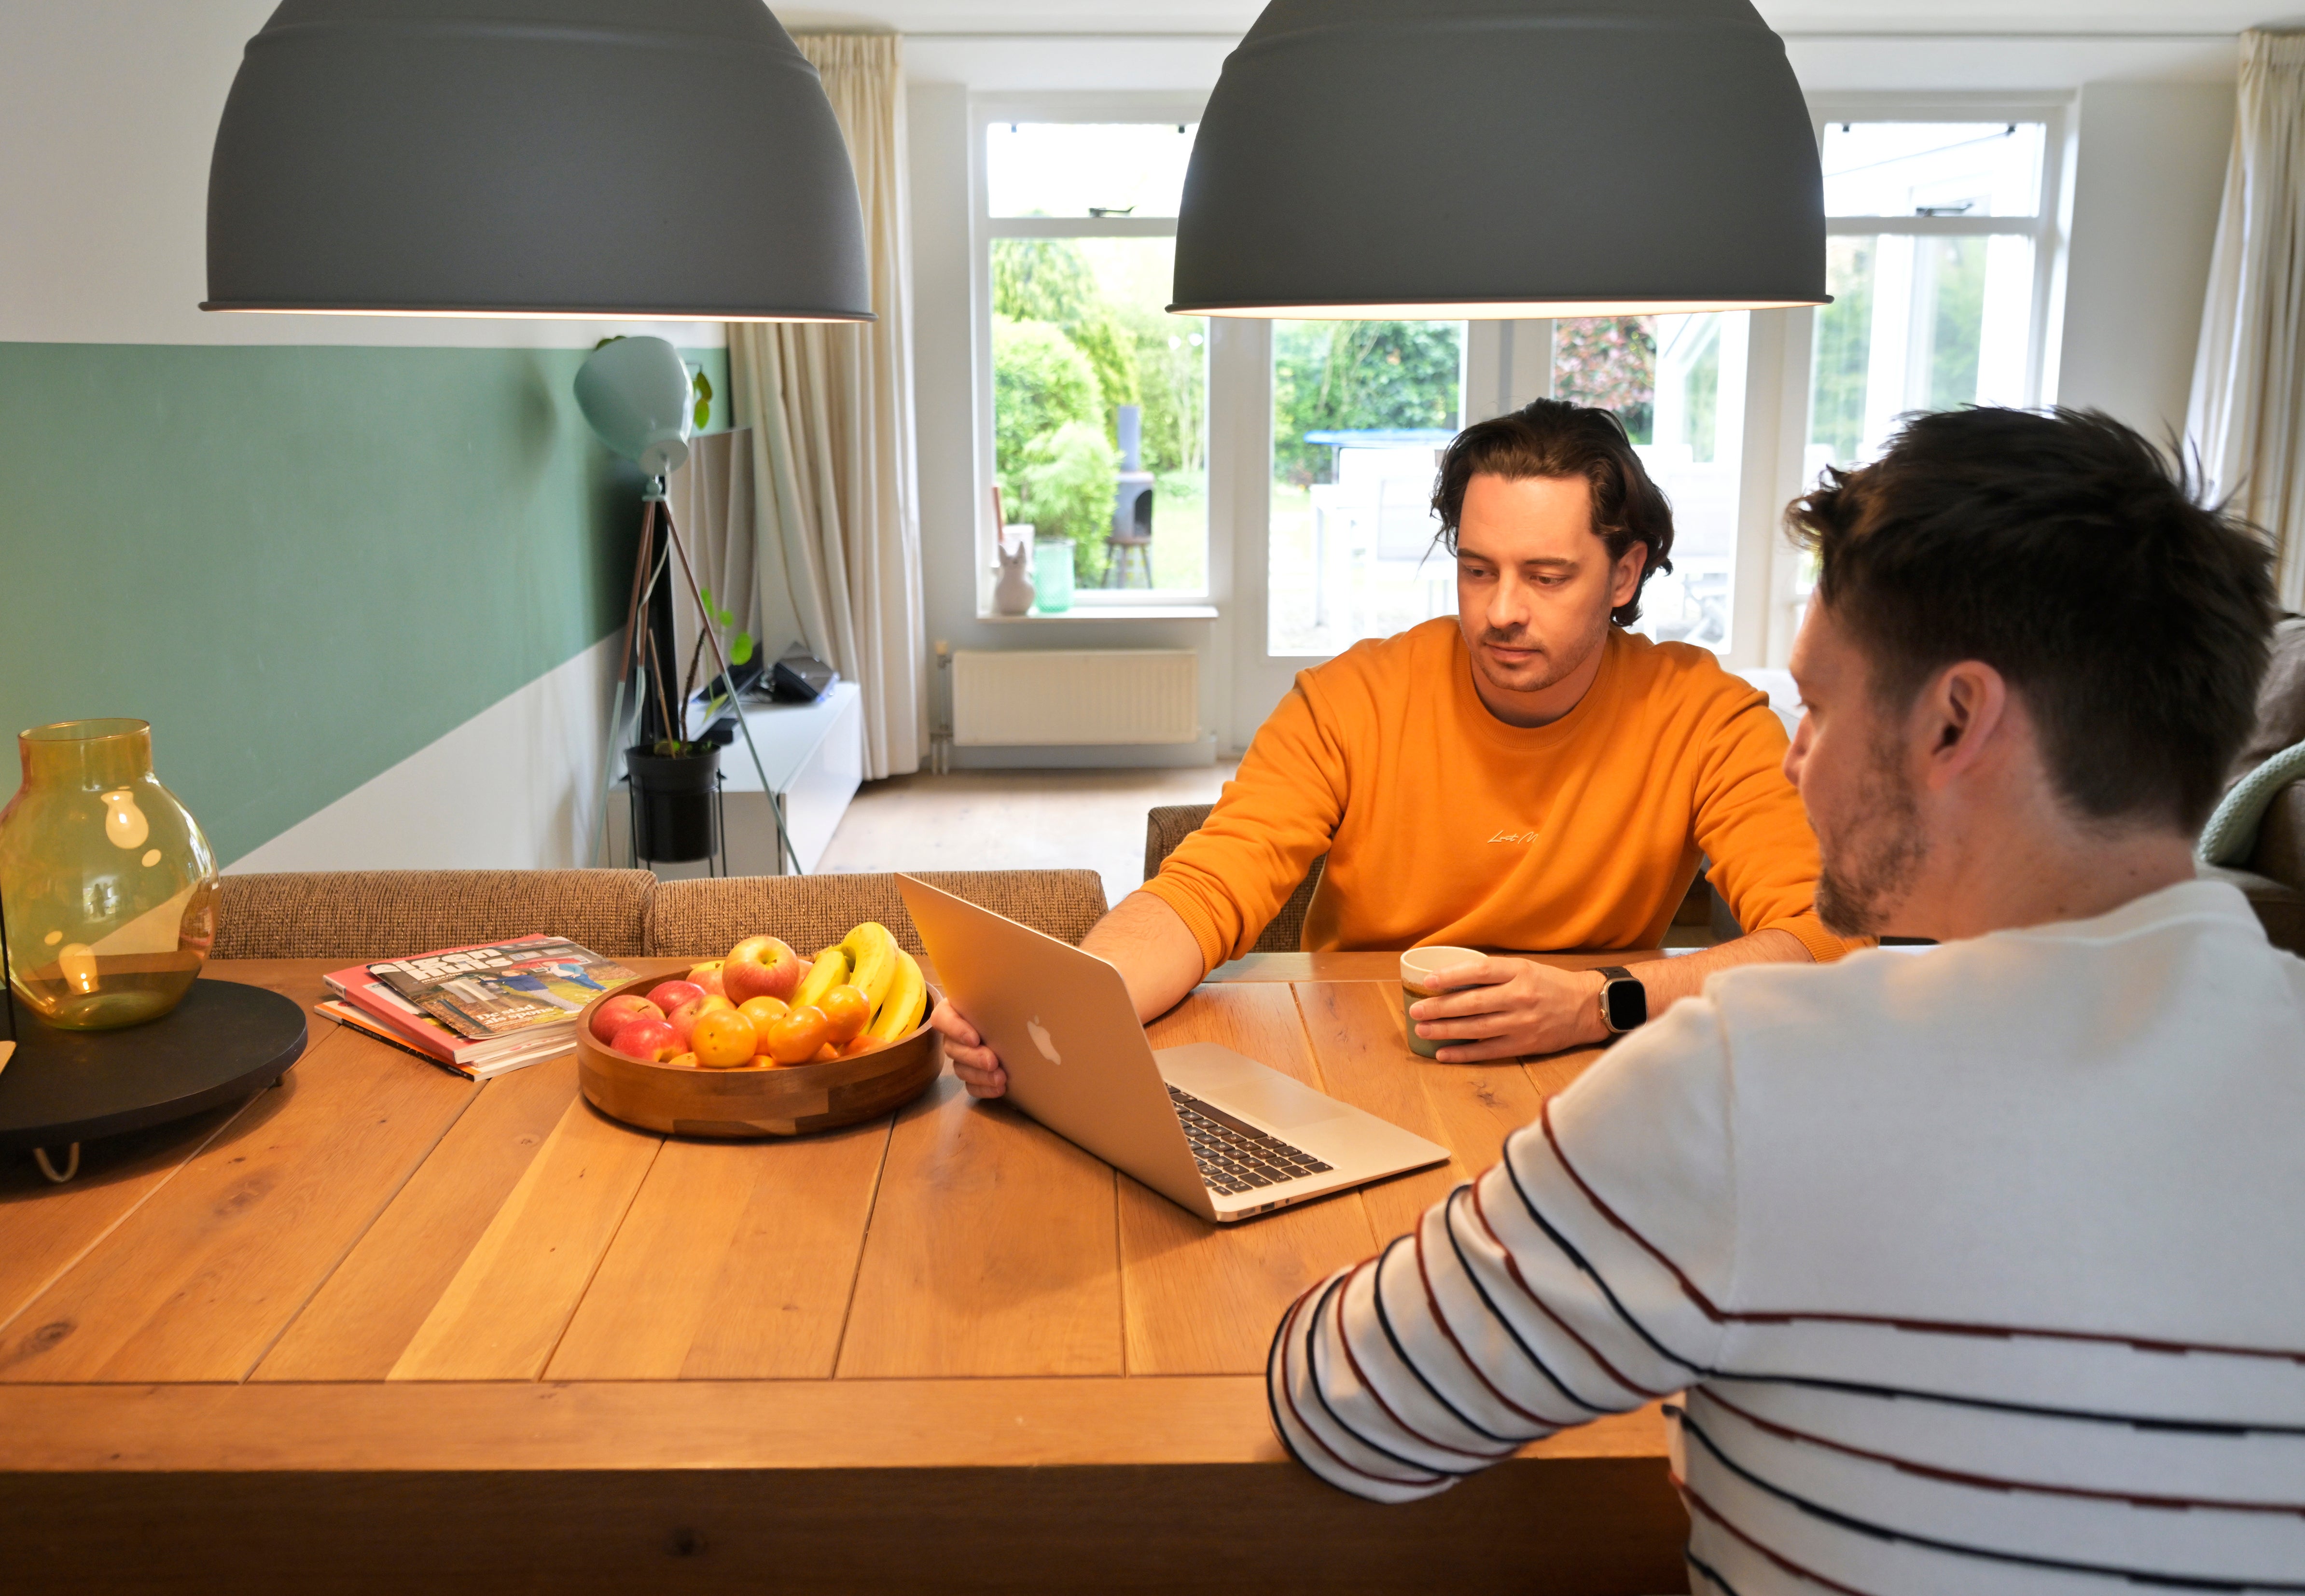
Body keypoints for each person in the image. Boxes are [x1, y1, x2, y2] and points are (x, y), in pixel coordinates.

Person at [1267, 407, 2304, 1593]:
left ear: (1955, 720)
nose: (1795, 759)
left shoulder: (1743, 1082)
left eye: (1816, 705)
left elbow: (1345, 1403)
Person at [935, 400, 1862, 1096]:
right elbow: (1205, 890)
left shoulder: (1707, 716)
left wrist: (1598, 1002)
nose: (1501, 611)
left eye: (1547, 577)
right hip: (1360, 1065)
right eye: (1477, 569)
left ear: (1625, 573)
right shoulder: (1353, 698)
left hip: (1594, 1081)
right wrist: (1066, 1019)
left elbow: (1826, 940)